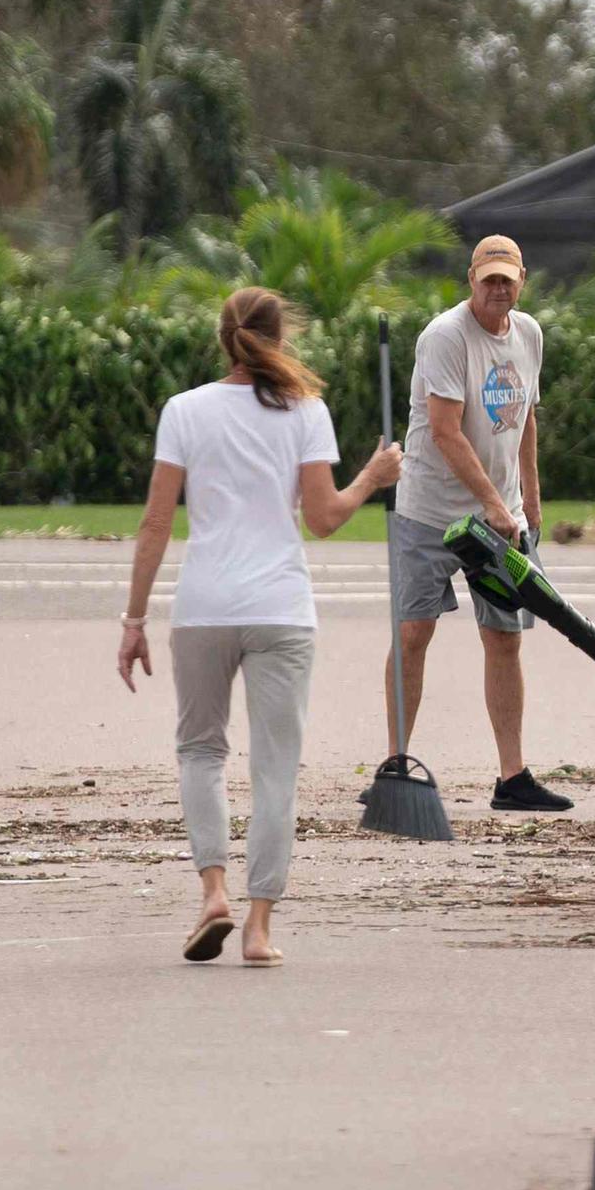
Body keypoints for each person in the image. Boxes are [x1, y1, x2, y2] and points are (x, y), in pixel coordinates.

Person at [120, 286, 399, 966]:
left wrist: (133, 618)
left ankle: (213, 891)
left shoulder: (183, 411)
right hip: (280, 609)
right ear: (279, 338)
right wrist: (373, 476)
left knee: (199, 752)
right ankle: (259, 927)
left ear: (224, 338)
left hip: (204, 607)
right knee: (276, 770)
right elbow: (325, 518)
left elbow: (157, 521)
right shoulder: (306, 411)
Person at [387, 234, 569, 812]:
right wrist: (492, 502)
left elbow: (525, 420)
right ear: (471, 279)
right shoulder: (444, 337)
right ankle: (396, 765)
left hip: (502, 517)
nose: (497, 288)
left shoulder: (529, 334)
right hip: (429, 511)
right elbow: (445, 430)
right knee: (414, 633)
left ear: (522, 281)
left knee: (504, 637)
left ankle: (512, 779)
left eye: (507, 279)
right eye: (488, 278)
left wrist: (528, 504)